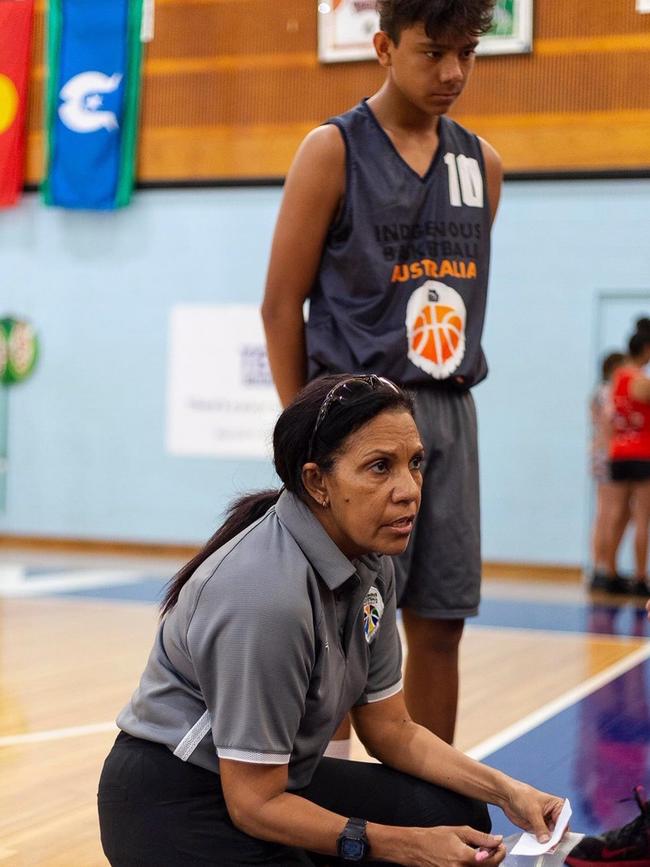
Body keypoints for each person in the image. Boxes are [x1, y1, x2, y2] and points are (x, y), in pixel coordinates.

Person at [98, 375, 564, 866]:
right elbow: (254, 804)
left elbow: (392, 728)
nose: (409, 491)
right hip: (175, 802)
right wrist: (404, 845)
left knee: (456, 811)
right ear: (317, 482)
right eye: (380, 467)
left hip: (270, 785)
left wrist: (508, 791)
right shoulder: (264, 595)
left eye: (415, 464)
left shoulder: (373, 562)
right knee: (414, 841)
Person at [261, 0, 502, 747]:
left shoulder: (484, 166)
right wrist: (312, 440)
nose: (453, 71)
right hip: (353, 416)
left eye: (465, 52)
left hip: (449, 415)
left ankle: (426, 809)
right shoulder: (330, 150)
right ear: (383, 47)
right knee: (343, 624)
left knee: (440, 621)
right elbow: (279, 306)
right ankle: (322, 810)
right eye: (433, 52)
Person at [604, 329, 650, 597]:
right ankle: (641, 576)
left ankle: (609, 572)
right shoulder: (641, 381)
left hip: (619, 452)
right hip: (642, 453)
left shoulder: (618, 378)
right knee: (642, 516)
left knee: (616, 514)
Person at [589, 351, 628, 593]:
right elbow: (608, 427)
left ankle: (603, 566)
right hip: (607, 455)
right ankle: (601, 567)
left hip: (604, 453)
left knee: (609, 513)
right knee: (606, 513)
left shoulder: (601, 392)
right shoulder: (607, 393)